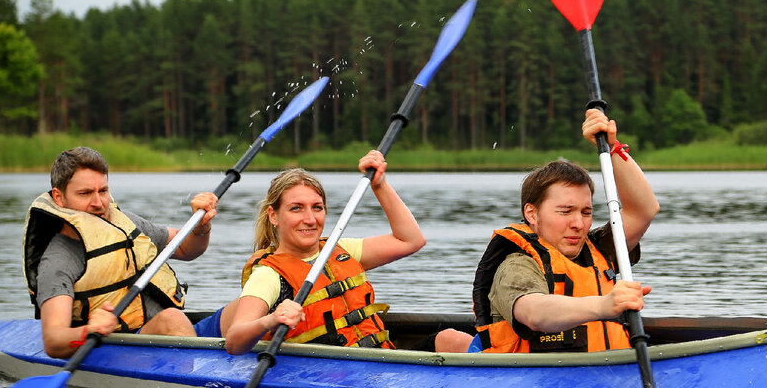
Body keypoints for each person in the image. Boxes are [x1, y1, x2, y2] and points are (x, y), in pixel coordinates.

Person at [219, 152, 474, 355]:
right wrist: (271, 320)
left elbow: (411, 240)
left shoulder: (340, 250)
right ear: (274, 216)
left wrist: (380, 185)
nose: (309, 219)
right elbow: (234, 341)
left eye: (317, 208)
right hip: (334, 374)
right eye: (296, 209)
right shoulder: (268, 276)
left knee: (451, 339)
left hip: (381, 359)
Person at [472, 106, 659, 352]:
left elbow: (643, 210)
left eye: (586, 212)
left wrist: (611, 147)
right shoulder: (517, 265)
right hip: (537, 381)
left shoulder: (601, 249)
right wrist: (604, 305)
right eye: (565, 211)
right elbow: (534, 313)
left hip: (607, 376)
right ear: (532, 213)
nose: (578, 223)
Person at [22, 146, 218, 359]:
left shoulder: (121, 222)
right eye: (85, 193)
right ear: (59, 198)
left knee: (243, 310)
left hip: (166, 335)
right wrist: (90, 330)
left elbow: (185, 248)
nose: (98, 203)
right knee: (172, 318)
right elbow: (53, 341)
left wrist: (201, 227)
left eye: (103, 191)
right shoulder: (59, 260)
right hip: (120, 348)